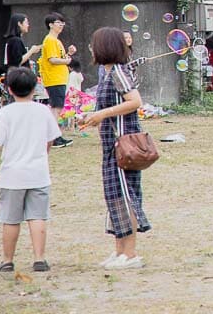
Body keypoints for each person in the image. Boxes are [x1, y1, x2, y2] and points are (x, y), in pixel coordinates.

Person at [0, 66, 61, 273]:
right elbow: (50, 140)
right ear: (35, 88)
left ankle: (7, 260)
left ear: (10, 90)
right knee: (38, 216)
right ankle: (39, 259)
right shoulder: (43, 111)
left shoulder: (5, 113)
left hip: (12, 176)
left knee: (10, 219)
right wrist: (42, 155)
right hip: (38, 173)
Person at [79, 28, 151, 269]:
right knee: (115, 198)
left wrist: (102, 113)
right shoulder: (107, 72)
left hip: (124, 146)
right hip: (112, 145)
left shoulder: (118, 72)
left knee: (126, 197)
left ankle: (130, 255)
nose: (91, 48)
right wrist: (93, 117)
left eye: (94, 44)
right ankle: (119, 251)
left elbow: (135, 101)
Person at [38, 13, 76, 148]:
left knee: (56, 107)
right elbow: (52, 60)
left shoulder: (57, 41)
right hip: (54, 79)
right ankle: (54, 138)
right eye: (58, 22)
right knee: (56, 108)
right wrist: (67, 60)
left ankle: (54, 136)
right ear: (50, 25)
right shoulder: (49, 40)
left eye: (62, 23)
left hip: (58, 78)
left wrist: (69, 54)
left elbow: (59, 57)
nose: (61, 25)